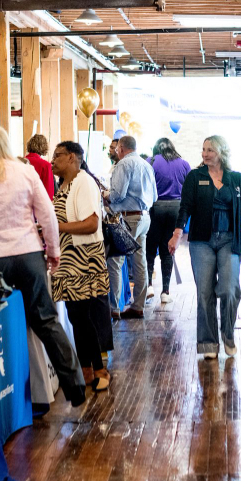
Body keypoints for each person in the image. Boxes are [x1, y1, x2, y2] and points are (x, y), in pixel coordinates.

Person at [0, 126, 85, 407]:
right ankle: (75, 387)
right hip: (28, 254)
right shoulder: (25, 172)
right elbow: (48, 214)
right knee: (46, 321)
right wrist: (53, 251)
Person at [169, 136, 241, 359]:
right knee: (205, 292)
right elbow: (185, 207)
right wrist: (177, 233)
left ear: (222, 152)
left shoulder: (237, 179)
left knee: (229, 289)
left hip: (229, 240)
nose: (205, 154)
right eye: (203, 149)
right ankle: (208, 342)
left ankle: (228, 333)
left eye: (210, 150)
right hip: (202, 241)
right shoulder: (195, 177)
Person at [50, 141, 112, 392]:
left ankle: (99, 369)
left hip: (84, 255)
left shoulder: (83, 182)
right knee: (76, 316)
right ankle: (85, 369)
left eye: (58, 156)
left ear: (73, 157)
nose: (52, 161)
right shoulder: (63, 184)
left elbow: (90, 224)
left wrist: (55, 227)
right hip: (68, 256)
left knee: (85, 316)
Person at [105, 135, 158, 319]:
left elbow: (117, 195)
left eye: (116, 148)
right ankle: (138, 306)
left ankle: (114, 308)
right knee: (140, 262)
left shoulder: (123, 165)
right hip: (144, 217)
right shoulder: (146, 165)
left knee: (115, 261)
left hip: (129, 219)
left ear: (121, 148)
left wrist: (105, 194)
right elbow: (155, 197)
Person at [145, 137, 191, 304]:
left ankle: (149, 285)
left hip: (155, 207)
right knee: (168, 250)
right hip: (176, 209)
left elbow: (145, 186)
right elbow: (189, 188)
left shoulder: (150, 161)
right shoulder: (184, 163)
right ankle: (165, 291)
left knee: (150, 248)